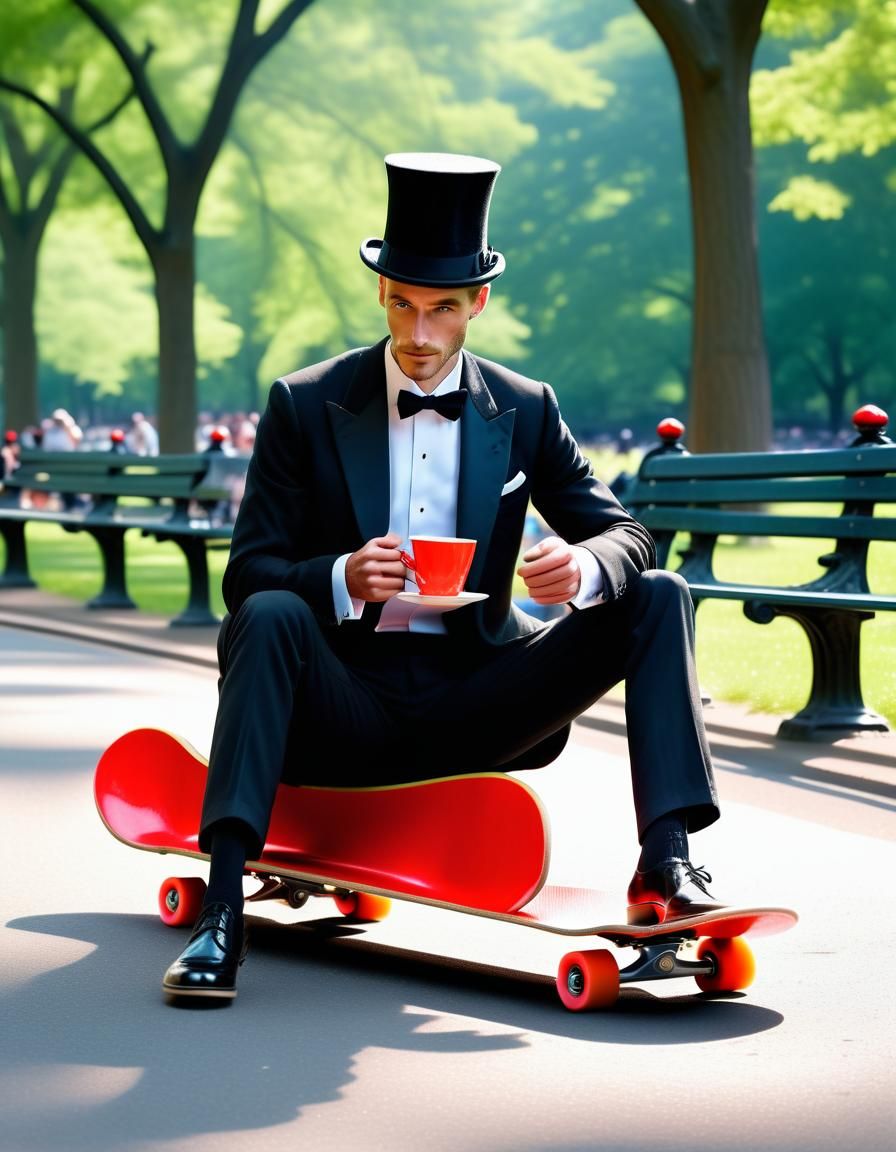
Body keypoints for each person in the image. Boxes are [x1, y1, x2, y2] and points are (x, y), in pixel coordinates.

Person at [163, 152, 723, 1002]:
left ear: (479, 305)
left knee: (658, 594)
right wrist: (344, 575)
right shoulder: (305, 403)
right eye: (402, 307)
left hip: (477, 701)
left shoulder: (524, 405)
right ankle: (224, 907)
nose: (419, 336)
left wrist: (582, 566)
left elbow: (627, 534)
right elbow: (248, 575)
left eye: (442, 311)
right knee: (274, 612)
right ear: (380, 294)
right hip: (342, 702)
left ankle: (669, 863)